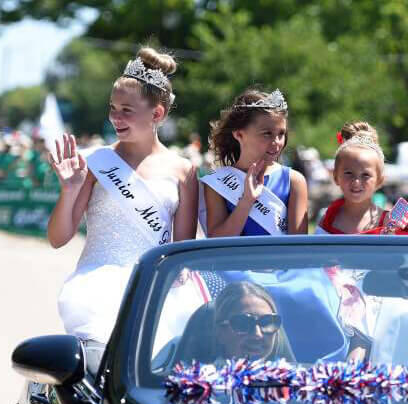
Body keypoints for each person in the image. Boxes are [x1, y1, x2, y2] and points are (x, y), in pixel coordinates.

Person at [47, 47, 199, 373]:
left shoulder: (184, 171)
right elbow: (58, 238)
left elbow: (180, 252)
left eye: (127, 110)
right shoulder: (95, 162)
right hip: (96, 286)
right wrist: (69, 190)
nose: (116, 117)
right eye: (113, 108)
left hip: (153, 290)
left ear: (156, 114)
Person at [202, 88, 308, 236]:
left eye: (281, 134)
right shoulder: (217, 183)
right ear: (239, 134)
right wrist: (247, 201)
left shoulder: (294, 181)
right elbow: (217, 243)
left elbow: (298, 248)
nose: (276, 142)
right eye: (267, 134)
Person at [319, 121, 408, 235]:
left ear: (380, 180)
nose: (356, 182)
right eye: (349, 173)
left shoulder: (390, 223)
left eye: (365, 175)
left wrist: (392, 233)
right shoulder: (327, 218)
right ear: (336, 176)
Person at [212, 281, 293, 363]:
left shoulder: (292, 374)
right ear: (220, 332)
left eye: (267, 323)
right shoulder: (207, 375)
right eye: (243, 323)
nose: (257, 334)